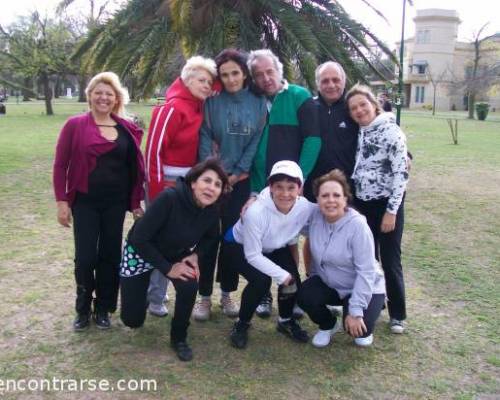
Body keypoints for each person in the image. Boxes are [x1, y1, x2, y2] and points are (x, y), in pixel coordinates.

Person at [53, 72, 145, 331]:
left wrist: (135, 201)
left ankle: (103, 307)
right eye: (99, 92)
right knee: (85, 258)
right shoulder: (75, 125)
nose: (104, 97)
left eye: (109, 93)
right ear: (90, 95)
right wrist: (62, 201)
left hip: (115, 204)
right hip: (85, 202)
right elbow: (61, 165)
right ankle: (82, 308)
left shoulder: (126, 129)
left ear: (116, 98)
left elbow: (133, 169)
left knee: (110, 256)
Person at [120, 159, 230, 361]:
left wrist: (195, 255)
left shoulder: (212, 210)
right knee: (132, 320)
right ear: (193, 182)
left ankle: (179, 337)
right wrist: (168, 269)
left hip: (174, 251)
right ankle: (139, 298)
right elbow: (139, 238)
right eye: (207, 180)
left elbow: (212, 237)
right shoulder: (169, 198)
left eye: (217, 185)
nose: (211, 188)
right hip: (140, 250)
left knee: (189, 285)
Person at [247, 49, 321, 318]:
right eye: (259, 74)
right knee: (263, 243)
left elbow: (313, 140)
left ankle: (293, 296)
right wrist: (255, 189)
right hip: (261, 187)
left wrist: (297, 180)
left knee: (289, 242)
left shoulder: (299, 97)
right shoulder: (252, 101)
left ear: (280, 70)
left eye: (269, 71)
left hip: (288, 190)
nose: (266, 78)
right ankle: (263, 294)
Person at [195, 49, 267, 320]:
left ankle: (226, 294)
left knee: (231, 240)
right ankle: (203, 297)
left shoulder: (259, 104)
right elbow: (205, 137)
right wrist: (213, 177)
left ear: (245, 73)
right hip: (212, 183)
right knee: (208, 238)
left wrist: (236, 175)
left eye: (235, 73)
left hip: (240, 183)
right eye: (224, 75)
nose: (230, 79)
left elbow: (255, 142)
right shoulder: (212, 103)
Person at [144, 56, 217, 318]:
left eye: (209, 81)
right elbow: (153, 152)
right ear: (186, 80)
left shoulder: (199, 107)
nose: (207, 85)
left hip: (187, 187)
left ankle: (156, 295)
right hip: (164, 186)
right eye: (201, 80)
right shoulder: (172, 108)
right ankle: (152, 296)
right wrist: (155, 194)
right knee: (154, 241)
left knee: (173, 242)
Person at [225, 161, 315, 349]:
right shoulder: (255, 212)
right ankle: (242, 324)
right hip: (239, 246)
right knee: (261, 281)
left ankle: (285, 321)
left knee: (293, 280)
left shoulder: (305, 206)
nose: (285, 193)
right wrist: (282, 275)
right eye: (279, 187)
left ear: (300, 188)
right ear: (270, 187)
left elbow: (328, 212)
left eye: (291, 187)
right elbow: (253, 256)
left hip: (273, 246)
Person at [346, 84, 409, 334]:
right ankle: (375, 300)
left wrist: (391, 212)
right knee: (367, 258)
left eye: (363, 104)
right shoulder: (360, 131)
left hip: (386, 205)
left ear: (374, 104)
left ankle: (398, 314)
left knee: (390, 259)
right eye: (353, 108)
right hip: (363, 204)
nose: (359, 110)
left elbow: (401, 174)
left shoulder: (391, 132)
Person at [297, 169, 386, 347]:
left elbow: (366, 271)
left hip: (362, 285)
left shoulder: (358, 226)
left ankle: (372, 304)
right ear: (317, 200)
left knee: (360, 335)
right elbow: (288, 204)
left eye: (336, 195)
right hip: (331, 285)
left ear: (345, 199)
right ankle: (328, 324)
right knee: (305, 295)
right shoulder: (314, 216)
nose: (330, 200)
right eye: (325, 195)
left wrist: (355, 311)